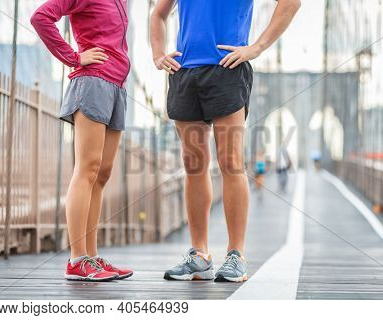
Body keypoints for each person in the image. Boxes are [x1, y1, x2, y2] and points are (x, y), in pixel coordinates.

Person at [150, 0, 301, 282]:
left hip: (226, 68)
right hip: (183, 72)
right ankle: (199, 254)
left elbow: (291, 3)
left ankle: (236, 255)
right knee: (193, 165)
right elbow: (158, 14)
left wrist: (257, 47)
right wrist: (158, 55)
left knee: (231, 161)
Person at [31, 0, 133, 282]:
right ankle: (77, 259)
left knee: (102, 174)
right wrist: (74, 57)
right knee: (87, 169)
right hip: (93, 82)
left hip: (117, 87)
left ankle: (91, 255)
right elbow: (41, 17)